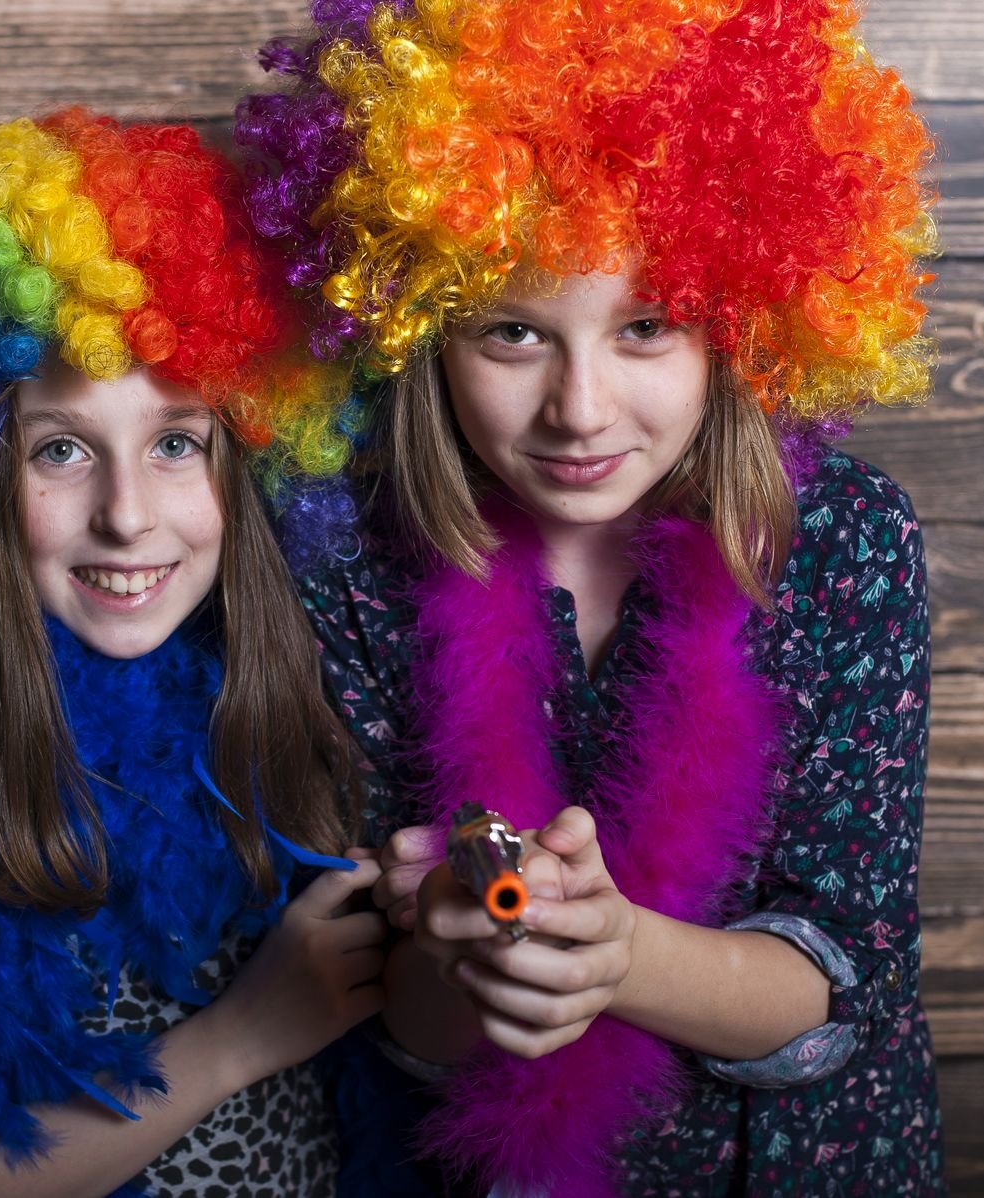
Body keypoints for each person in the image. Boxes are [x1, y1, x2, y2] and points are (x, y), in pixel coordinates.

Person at [235, 0, 946, 1193]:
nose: (579, 408)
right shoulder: (348, 561)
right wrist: (457, 946)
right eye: (512, 332)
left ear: (738, 320)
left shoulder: (844, 541)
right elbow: (393, 1023)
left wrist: (619, 955)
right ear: (417, 323)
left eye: (646, 326)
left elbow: (847, 976)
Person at [0, 106, 390, 1198]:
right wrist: (242, 1038)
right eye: (60, 449)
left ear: (256, 453)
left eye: (175, 443)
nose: (126, 515)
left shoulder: (309, 684)